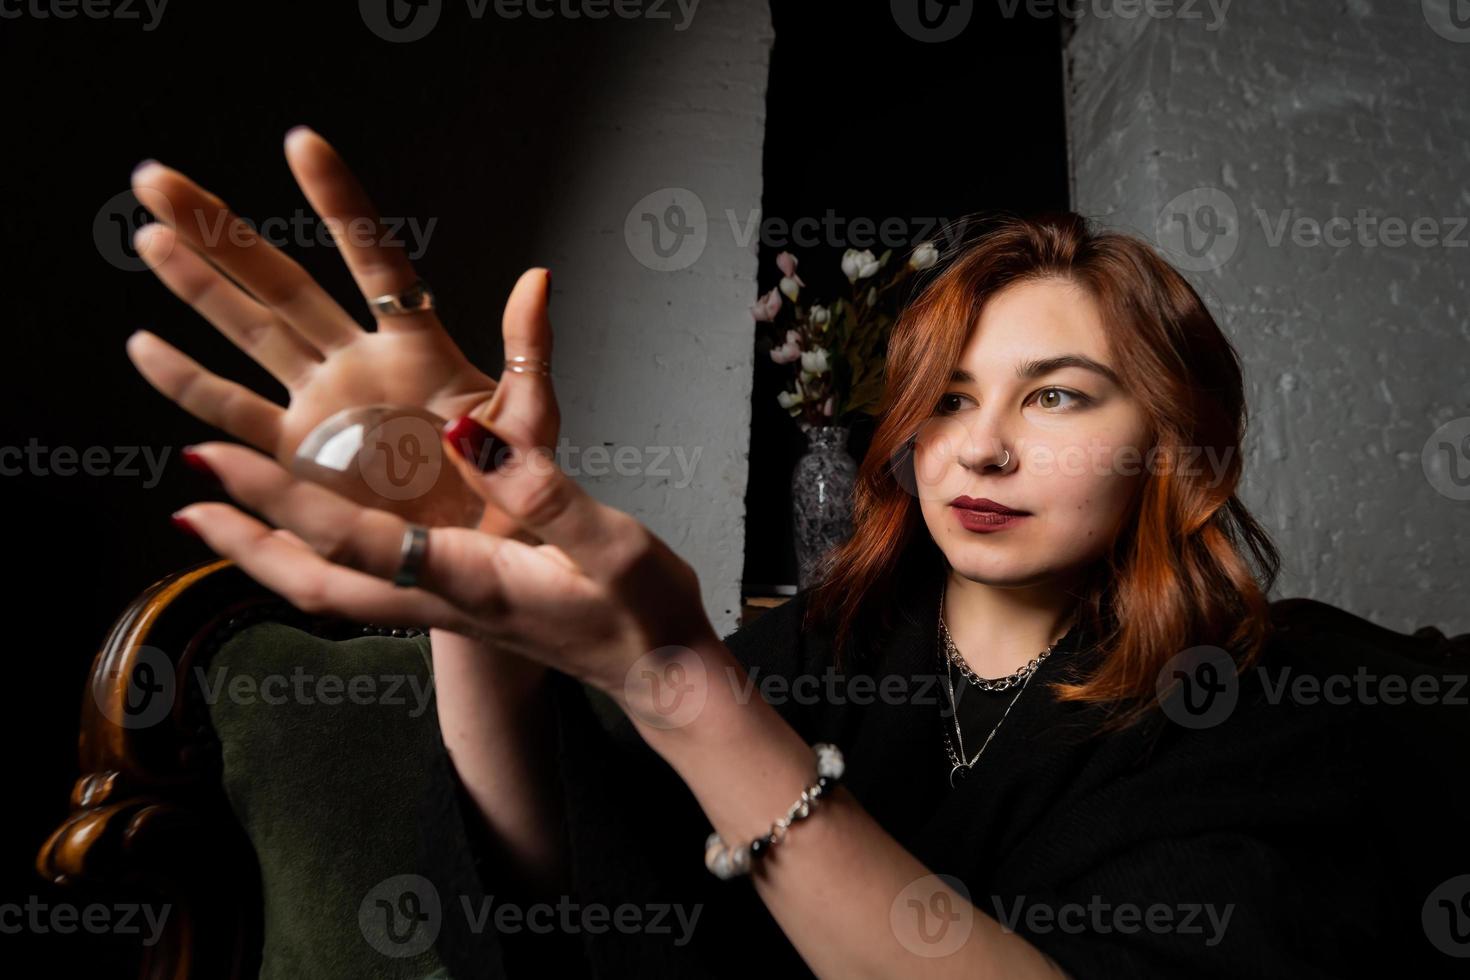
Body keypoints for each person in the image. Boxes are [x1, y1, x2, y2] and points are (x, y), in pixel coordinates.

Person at [126, 127, 1470, 978]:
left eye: (1055, 394)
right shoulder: (823, 649)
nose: (977, 447)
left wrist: (686, 692)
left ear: (1171, 440)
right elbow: (564, 911)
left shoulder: (1274, 705)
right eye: (945, 397)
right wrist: (476, 578)